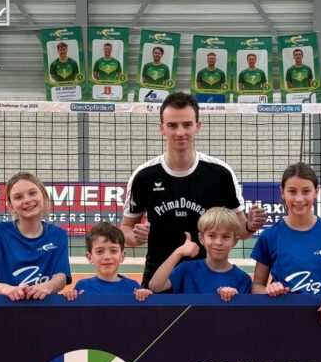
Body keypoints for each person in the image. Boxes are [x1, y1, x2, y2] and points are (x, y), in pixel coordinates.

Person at [121, 92, 267, 285]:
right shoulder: (144, 176)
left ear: (198, 126)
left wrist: (250, 226)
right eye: (172, 125)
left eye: (187, 124)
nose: (180, 132)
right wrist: (135, 237)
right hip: (159, 281)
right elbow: (125, 229)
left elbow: (240, 230)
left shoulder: (220, 173)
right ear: (161, 128)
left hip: (208, 282)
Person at [251, 163, 321, 322]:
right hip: (282, 320)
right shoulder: (269, 236)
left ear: (316, 192)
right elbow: (257, 287)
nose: (299, 199)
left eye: (306, 191)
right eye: (292, 191)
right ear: (282, 192)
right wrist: (269, 290)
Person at [0, 171, 71, 300]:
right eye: (18, 197)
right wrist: (5, 289)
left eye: (32, 193)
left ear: (44, 196)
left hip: (43, 306)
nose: (27, 200)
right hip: (6, 307)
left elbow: (61, 277)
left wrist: (47, 286)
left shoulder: (58, 234)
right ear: (11, 206)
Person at [149, 207, 252, 300]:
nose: (218, 242)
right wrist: (178, 252)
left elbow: (244, 312)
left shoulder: (243, 279)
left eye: (225, 237)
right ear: (201, 238)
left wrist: (235, 298)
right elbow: (155, 286)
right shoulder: (186, 269)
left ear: (234, 241)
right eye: (211, 236)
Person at [64, 221, 151, 301]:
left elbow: (144, 311)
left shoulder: (133, 287)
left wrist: (147, 296)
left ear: (122, 256)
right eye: (99, 251)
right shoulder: (82, 286)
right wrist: (70, 297)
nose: (107, 257)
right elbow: (75, 311)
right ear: (89, 257)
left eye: (113, 251)